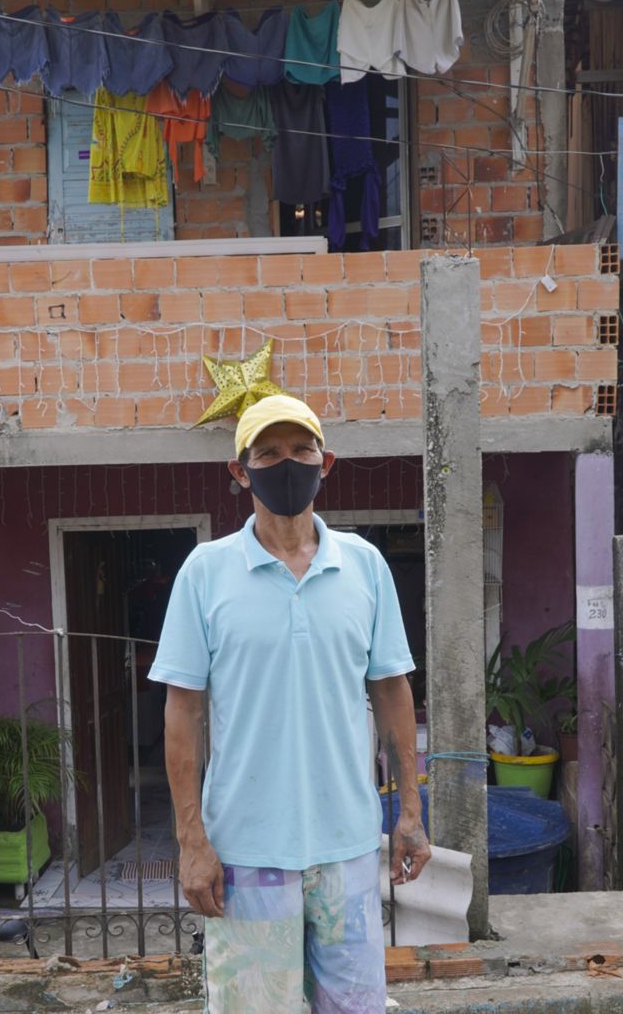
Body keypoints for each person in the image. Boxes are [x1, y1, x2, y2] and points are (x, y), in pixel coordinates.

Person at [148, 394, 430, 1013]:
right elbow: (183, 711)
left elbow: (392, 690)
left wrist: (409, 811)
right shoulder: (205, 572)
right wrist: (191, 839)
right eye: (269, 453)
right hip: (247, 855)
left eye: (301, 450)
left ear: (325, 462)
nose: (288, 463)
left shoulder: (364, 565)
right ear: (240, 471)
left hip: (348, 848)